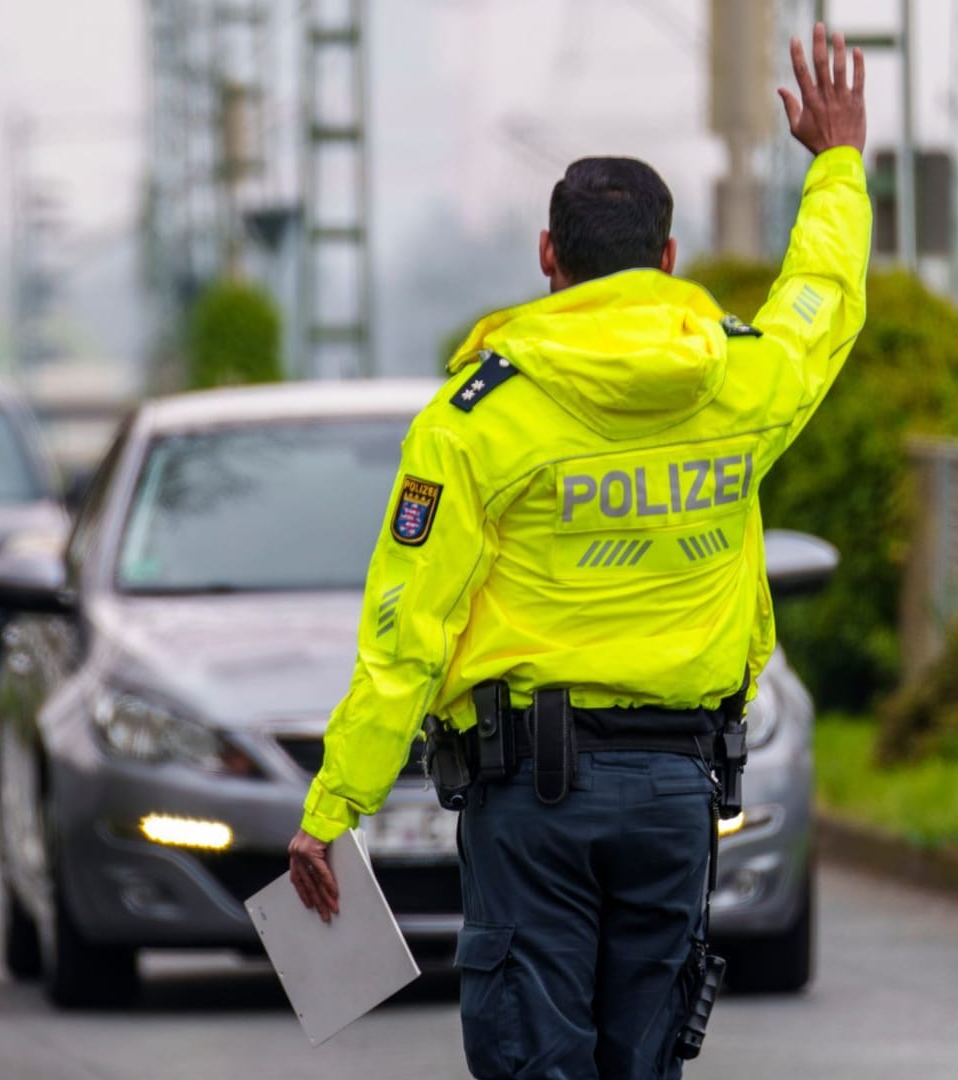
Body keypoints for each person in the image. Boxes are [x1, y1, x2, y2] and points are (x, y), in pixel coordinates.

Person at [287, 24, 869, 1080]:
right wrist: (837, 169)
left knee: (533, 1060)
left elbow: (405, 635)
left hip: (533, 803)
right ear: (669, 259)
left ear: (548, 257)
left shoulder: (477, 415)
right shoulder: (741, 383)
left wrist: (335, 808)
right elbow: (820, 310)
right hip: (679, 795)